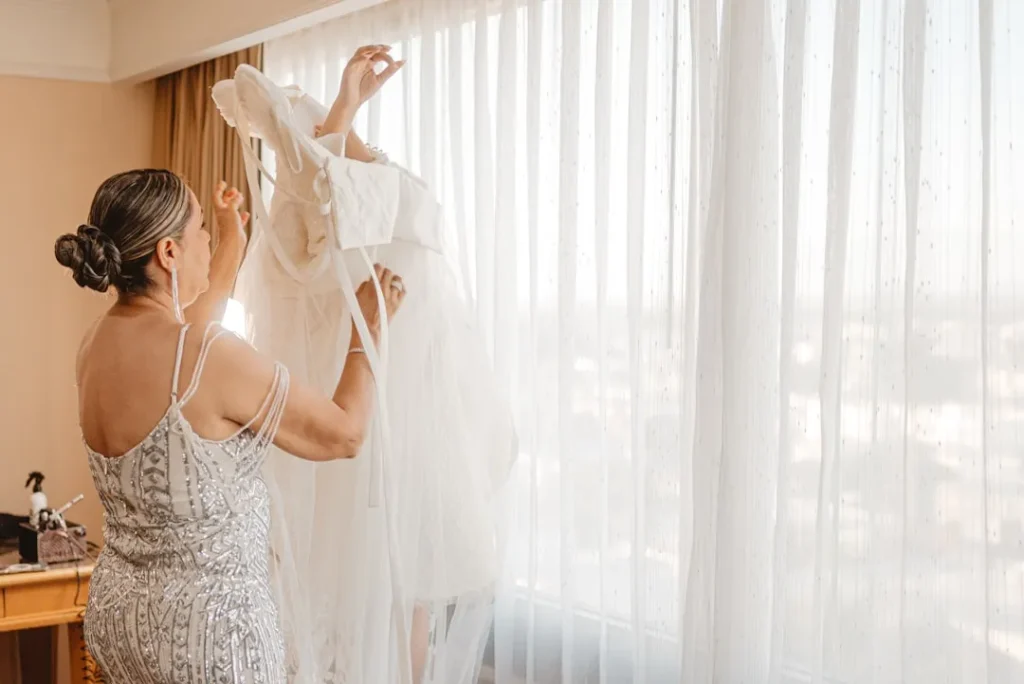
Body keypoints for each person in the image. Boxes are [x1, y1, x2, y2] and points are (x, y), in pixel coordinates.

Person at [213, 47, 516, 684]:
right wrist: (345, 110)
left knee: (385, 582)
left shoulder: (325, 212)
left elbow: (328, 179)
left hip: (385, 409)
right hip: (366, 407)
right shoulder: (354, 206)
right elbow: (338, 183)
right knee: (388, 583)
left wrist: (344, 113)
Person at [54, 168, 405, 683]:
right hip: (210, 636)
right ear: (168, 253)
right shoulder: (208, 355)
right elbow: (344, 433)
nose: (207, 240)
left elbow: (185, 340)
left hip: (120, 621)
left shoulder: (95, 344)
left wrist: (230, 238)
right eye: (201, 229)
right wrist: (366, 334)